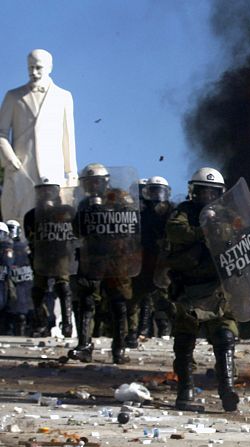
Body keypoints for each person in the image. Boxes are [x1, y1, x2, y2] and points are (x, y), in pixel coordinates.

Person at [165, 167, 239, 412]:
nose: (207, 197)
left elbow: (242, 234)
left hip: (219, 288)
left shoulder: (228, 214)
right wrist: (202, 232)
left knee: (224, 337)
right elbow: (174, 231)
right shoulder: (184, 211)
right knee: (185, 341)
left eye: (212, 192)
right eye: (202, 191)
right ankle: (185, 389)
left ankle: (227, 388)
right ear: (194, 192)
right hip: (188, 287)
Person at [68, 163, 138, 364]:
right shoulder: (84, 204)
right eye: (89, 182)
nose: (93, 186)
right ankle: (84, 346)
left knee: (118, 304)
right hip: (92, 259)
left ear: (105, 181)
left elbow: (131, 223)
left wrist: (108, 210)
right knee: (88, 301)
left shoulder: (120, 197)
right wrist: (89, 211)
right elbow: (77, 231)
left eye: (96, 181)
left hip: (117, 259)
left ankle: (119, 349)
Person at [0, 49, 78, 223]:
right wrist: (10, 159)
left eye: (38, 68)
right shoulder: (13, 96)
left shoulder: (63, 96)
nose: (34, 72)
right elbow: (1, 132)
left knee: (55, 218)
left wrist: (71, 171)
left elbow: (68, 136)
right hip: (22, 167)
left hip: (53, 168)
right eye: (30, 67)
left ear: (49, 67)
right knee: (20, 216)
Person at [23, 177, 75, 337]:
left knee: (63, 286)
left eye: (50, 190)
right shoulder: (31, 215)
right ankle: (42, 323)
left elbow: (75, 232)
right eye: (43, 190)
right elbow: (30, 237)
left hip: (61, 256)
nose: (46, 193)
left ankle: (67, 324)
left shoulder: (66, 211)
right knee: (38, 290)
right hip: (42, 256)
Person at [131, 176, 174, 340]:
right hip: (144, 257)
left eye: (159, 192)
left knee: (162, 295)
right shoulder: (141, 213)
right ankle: (140, 329)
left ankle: (164, 328)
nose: (156, 196)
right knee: (141, 295)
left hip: (163, 259)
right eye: (153, 191)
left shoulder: (171, 212)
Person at [4, 220, 33, 335]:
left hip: (23, 282)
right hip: (12, 283)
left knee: (21, 313)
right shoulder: (5, 247)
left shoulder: (23, 247)